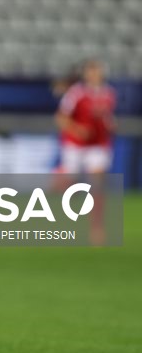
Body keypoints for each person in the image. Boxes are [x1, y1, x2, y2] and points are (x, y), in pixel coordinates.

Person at [54, 58, 116, 244]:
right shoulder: (76, 93)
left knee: (97, 184)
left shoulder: (108, 93)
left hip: (98, 144)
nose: (94, 74)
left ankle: (96, 228)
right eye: (91, 71)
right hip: (75, 145)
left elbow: (107, 118)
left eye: (97, 70)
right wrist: (76, 129)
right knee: (67, 184)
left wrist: (111, 125)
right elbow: (61, 118)